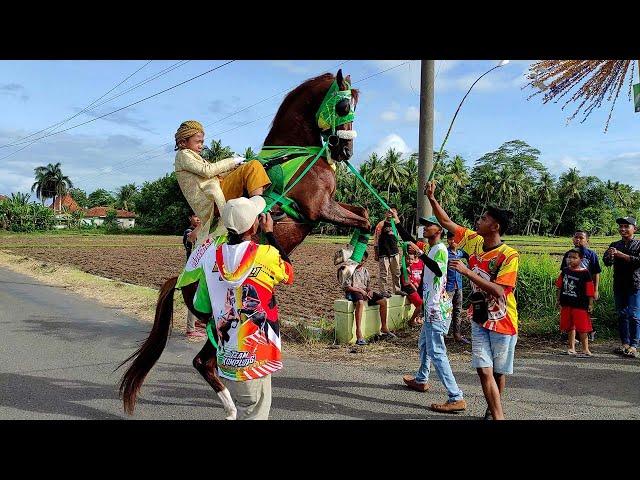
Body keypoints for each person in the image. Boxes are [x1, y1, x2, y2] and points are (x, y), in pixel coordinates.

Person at [425, 181, 519, 421]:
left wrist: (468, 272)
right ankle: (498, 416)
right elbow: (447, 222)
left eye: (484, 218)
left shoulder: (509, 255)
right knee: (482, 367)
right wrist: (432, 199)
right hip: (479, 311)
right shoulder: (475, 240)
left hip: (503, 318)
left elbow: (500, 291)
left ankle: (493, 410)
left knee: (497, 370)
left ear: (495, 226)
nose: (479, 220)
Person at [211, 196, 293, 420]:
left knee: (244, 408)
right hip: (254, 357)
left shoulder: (215, 255)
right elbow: (289, 272)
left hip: (227, 355)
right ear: (252, 225)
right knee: (253, 413)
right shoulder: (265, 254)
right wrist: (269, 234)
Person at [388, 210, 466, 413]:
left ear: (438, 229)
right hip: (433, 307)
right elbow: (409, 239)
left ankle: (456, 396)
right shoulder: (431, 248)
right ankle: (422, 379)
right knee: (423, 343)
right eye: (423, 224)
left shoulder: (439, 249)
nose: (424, 227)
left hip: (436, 311)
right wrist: (397, 221)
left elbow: (440, 270)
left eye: (428, 224)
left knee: (437, 352)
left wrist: (420, 254)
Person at [173, 120, 271, 245]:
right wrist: (233, 161)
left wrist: (235, 168)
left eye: (202, 142)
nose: (201, 145)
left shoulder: (192, 157)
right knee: (253, 166)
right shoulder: (183, 155)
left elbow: (214, 174)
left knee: (246, 168)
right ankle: (257, 212)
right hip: (213, 199)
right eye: (197, 142)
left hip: (215, 194)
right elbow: (208, 171)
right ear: (183, 142)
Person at [603, 216, 640, 358]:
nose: (622, 229)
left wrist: (621, 255)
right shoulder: (615, 244)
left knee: (634, 316)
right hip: (619, 285)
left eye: (626, 226)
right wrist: (610, 255)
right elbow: (607, 263)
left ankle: (634, 345)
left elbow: (638, 262)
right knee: (622, 314)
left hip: (635, 285)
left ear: (634, 229)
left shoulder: (638, 245)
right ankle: (625, 343)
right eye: (621, 227)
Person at [341, 250, 396, 346]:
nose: (360, 262)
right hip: (354, 291)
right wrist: (361, 291)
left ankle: (384, 327)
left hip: (364, 291)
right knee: (360, 303)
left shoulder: (365, 271)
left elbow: (367, 285)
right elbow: (347, 287)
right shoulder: (349, 270)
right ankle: (359, 333)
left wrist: (369, 291)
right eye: (359, 260)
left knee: (383, 301)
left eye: (363, 261)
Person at [560, 230, 601, 341]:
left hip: (585, 289)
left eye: (581, 238)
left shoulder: (591, 255)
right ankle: (572, 335)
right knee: (571, 311)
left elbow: (596, 273)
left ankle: (589, 332)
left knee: (585, 311)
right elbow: (563, 272)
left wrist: (595, 290)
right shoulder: (568, 254)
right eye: (576, 237)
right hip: (571, 288)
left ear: (587, 240)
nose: (578, 240)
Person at [556, 248, 595, 357]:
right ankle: (571, 348)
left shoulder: (585, 273)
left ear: (580, 259)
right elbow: (559, 286)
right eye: (569, 257)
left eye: (574, 257)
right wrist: (558, 299)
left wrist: (590, 303)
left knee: (582, 328)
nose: (570, 260)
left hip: (580, 305)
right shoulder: (565, 271)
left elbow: (589, 290)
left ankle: (586, 350)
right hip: (567, 303)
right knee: (569, 326)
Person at [183, 212, 206, 339]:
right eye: (195, 216)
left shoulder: (203, 231)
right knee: (193, 297)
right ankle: (190, 329)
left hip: (202, 269)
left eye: (200, 216)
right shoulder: (189, 231)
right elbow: (191, 238)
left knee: (201, 295)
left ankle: (198, 321)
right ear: (190, 218)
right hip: (192, 271)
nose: (198, 218)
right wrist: (203, 224)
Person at [446, 230, 470, 344]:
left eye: (455, 240)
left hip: (458, 286)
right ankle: (442, 334)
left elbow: (469, 256)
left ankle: (457, 334)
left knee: (458, 310)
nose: (453, 242)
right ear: (448, 240)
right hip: (448, 287)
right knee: (446, 310)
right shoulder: (445, 253)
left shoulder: (460, 253)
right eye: (451, 239)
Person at [373, 205, 401, 297]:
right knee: (384, 273)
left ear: (396, 214)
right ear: (386, 213)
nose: (391, 213)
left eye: (393, 211)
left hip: (394, 252)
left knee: (396, 272)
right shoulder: (381, 224)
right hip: (383, 253)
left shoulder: (396, 224)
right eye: (389, 211)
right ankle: (383, 291)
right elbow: (376, 240)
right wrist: (376, 253)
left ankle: (397, 289)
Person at [404, 251, 424, 327]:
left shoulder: (411, 267)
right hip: (408, 289)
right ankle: (411, 320)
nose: (410, 261)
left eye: (412, 259)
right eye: (408, 259)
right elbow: (408, 282)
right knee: (420, 303)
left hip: (415, 287)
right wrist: (417, 289)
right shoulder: (405, 269)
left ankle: (418, 318)